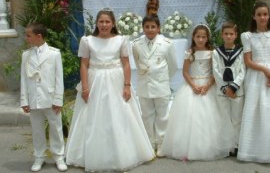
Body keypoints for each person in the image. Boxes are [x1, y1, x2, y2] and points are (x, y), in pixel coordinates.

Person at [65, 9, 154, 172]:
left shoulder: (121, 40)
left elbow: (126, 63)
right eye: (101, 22)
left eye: (107, 22)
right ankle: (93, 154)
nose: (104, 25)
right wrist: (85, 87)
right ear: (97, 23)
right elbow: (84, 64)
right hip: (95, 80)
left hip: (116, 80)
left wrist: (127, 85)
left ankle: (122, 153)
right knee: (94, 117)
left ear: (113, 24)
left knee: (119, 115)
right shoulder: (87, 40)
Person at [160, 24, 234, 160]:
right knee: (190, 117)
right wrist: (193, 86)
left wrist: (206, 86)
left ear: (207, 38)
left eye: (203, 37)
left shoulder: (212, 53)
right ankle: (187, 147)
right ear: (193, 37)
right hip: (192, 86)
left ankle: (209, 146)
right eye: (198, 36)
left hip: (208, 86)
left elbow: (215, 72)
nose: (200, 39)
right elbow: (185, 72)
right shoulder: (190, 52)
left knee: (211, 117)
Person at [237, 1, 270, 163]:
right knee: (255, 110)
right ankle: (252, 149)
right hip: (256, 75)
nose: (262, 17)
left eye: (265, 14)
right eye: (259, 14)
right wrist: (264, 70)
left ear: (269, 16)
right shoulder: (248, 36)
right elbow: (248, 61)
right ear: (254, 17)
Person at [20, 22, 67, 172]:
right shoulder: (26, 55)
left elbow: (59, 79)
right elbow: (23, 79)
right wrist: (24, 100)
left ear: (38, 36)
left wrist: (58, 99)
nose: (26, 38)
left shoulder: (54, 53)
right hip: (34, 98)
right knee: (37, 129)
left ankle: (59, 156)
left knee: (56, 128)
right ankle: (39, 157)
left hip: (50, 97)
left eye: (28, 35)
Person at [132, 14, 177, 156]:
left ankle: (161, 144)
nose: (150, 29)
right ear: (143, 28)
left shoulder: (167, 44)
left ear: (158, 28)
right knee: (146, 115)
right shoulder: (136, 44)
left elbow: (173, 66)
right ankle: (149, 144)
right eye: (147, 27)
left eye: (153, 27)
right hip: (144, 85)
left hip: (161, 85)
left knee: (162, 116)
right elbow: (138, 63)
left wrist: (162, 78)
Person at [212, 21, 246, 157]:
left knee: (237, 119)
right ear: (221, 35)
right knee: (224, 118)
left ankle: (237, 145)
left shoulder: (241, 51)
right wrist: (226, 88)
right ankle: (226, 146)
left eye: (231, 34)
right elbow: (215, 71)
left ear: (236, 35)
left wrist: (233, 87)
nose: (228, 36)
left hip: (237, 91)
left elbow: (243, 71)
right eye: (226, 34)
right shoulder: (216, 52)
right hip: (222, 92)